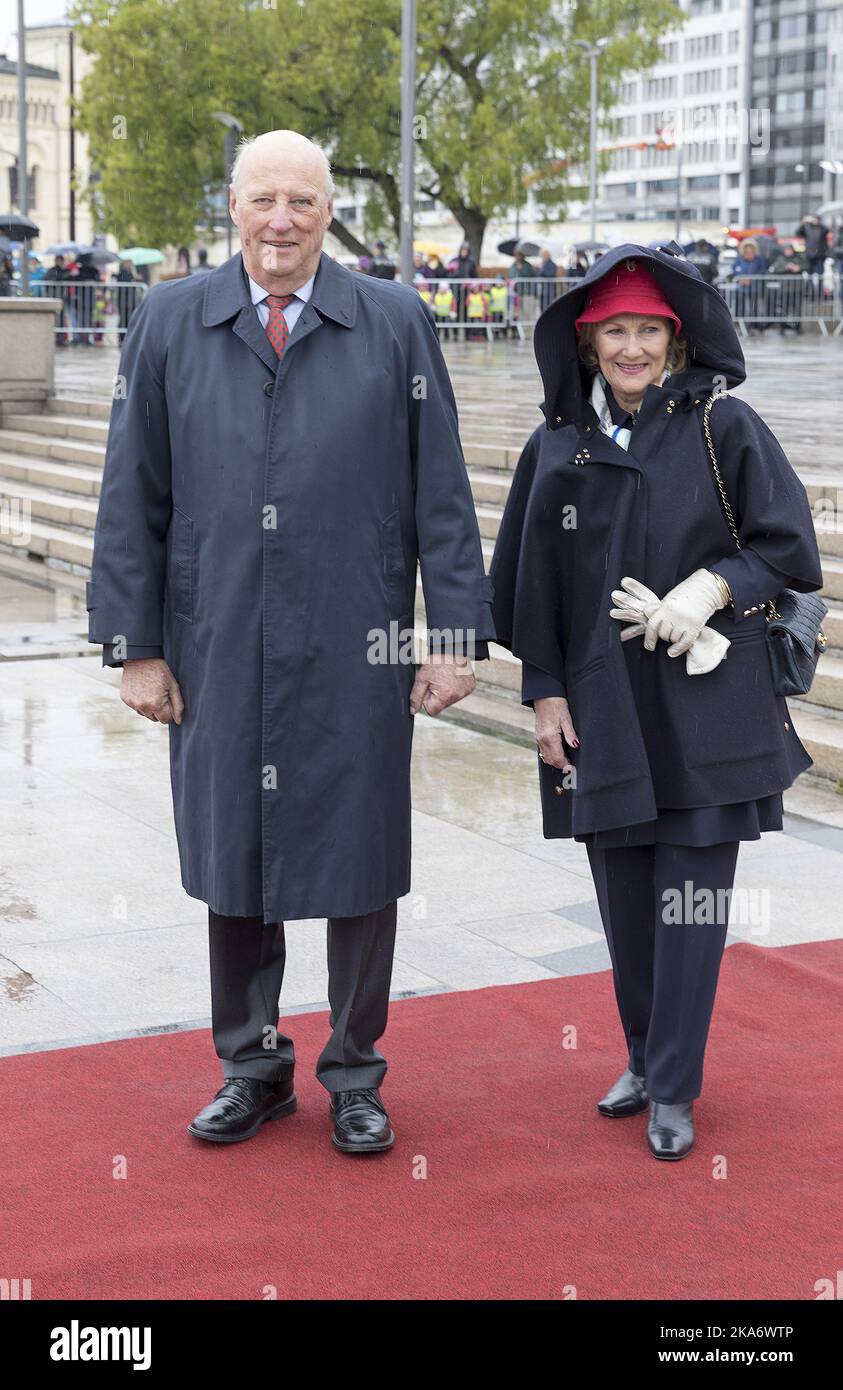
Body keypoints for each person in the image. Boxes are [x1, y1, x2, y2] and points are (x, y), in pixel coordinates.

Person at [86, 129, 494, 1154]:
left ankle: (356, 1071)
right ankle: (253, 1067)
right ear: (233, 208)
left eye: (302, 203)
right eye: (263, 199)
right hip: (215, 636)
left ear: (326, 214)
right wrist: (135, 643)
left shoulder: (394, 322)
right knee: (237, 856)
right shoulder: (173, 320)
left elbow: (440, 496)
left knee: (361, 860)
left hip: (354, 638)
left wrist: (449, 635)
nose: (281, 220)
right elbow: (129, 491)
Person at [490, 243, 823, 1161]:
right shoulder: (557, 443)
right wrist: (545, 692)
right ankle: (640, 1058)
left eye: (647, 331)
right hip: (601, 707)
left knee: (690, 901)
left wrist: (709, 590)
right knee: (625, 900)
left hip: (708, 706)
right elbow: (530, 588)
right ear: (588, 341)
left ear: (674, 342)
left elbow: (789, 552)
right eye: (613, 332)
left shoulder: (726, 429)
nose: (630, 347)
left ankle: (675, 1085)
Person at [729, 237, 768, 333]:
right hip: (741, 288)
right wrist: (740, 278)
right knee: (741, 308)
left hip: (754, 288)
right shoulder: (739, 259)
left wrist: (751, 278)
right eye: (747, 251)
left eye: (751, 251)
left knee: (753, 308)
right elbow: (734, 269)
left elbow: (763, 271)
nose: (749, 253)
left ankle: (754, 326)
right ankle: (742, 326)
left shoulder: (759, 259)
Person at [768, 242, 806, 334]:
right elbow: (775, 270)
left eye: (790, 250)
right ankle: (783, 327)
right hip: (785, 289)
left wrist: (798, 268)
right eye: (787, 250)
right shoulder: (780, 259)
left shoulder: (798, 258)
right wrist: (786, 268)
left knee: (797, 309)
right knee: (784, 309)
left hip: (797, 289)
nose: (788, 252)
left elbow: (806, 266)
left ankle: (798, 327)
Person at [538, 247, 559, 312]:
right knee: (542, 307)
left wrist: (542, 270)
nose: (543, 257)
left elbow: (550, 274)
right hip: (543, 290)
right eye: (542, 255)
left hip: (550, 289)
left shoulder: (552, 265)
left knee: (549, 307)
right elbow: (538, 276)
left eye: (545, 255)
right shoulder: (542, 264)